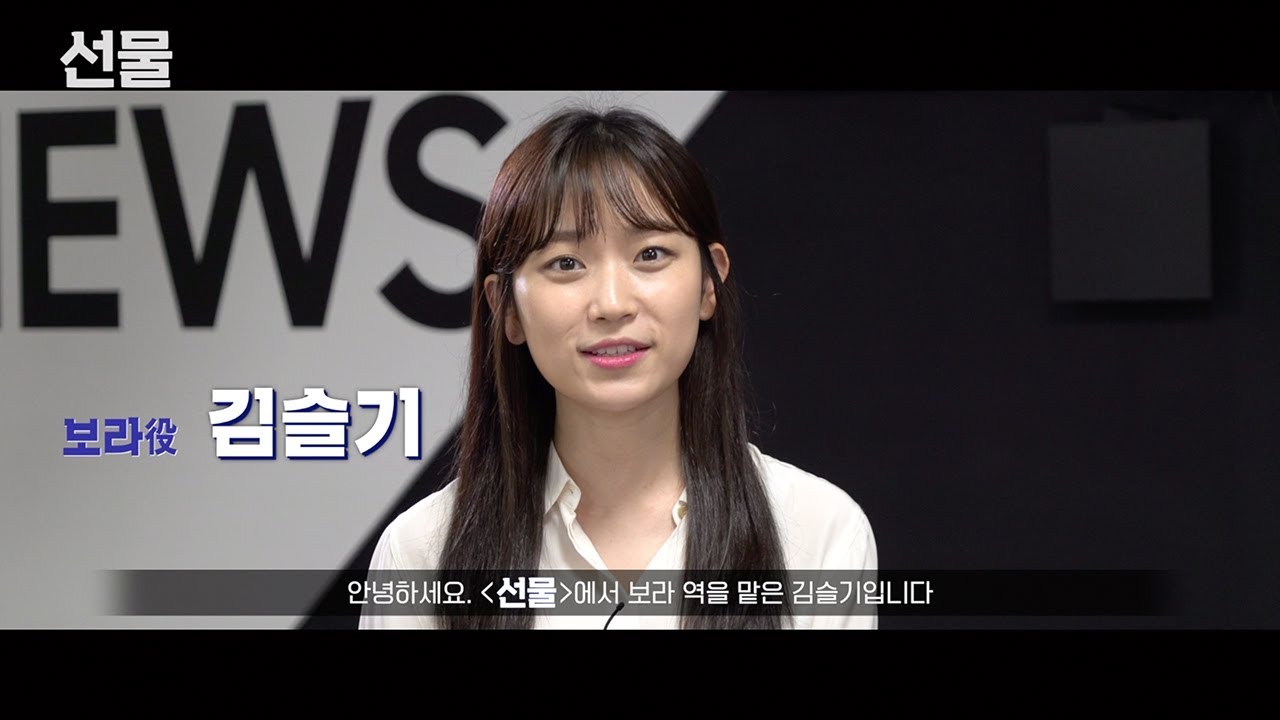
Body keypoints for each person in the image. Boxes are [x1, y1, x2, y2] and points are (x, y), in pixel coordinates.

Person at [360, 105, 877, 629]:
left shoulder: (816, 533)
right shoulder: (423, 554)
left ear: (709, 284)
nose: (611, 303)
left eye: (650, 254)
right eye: (566, 263)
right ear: (506, 308)